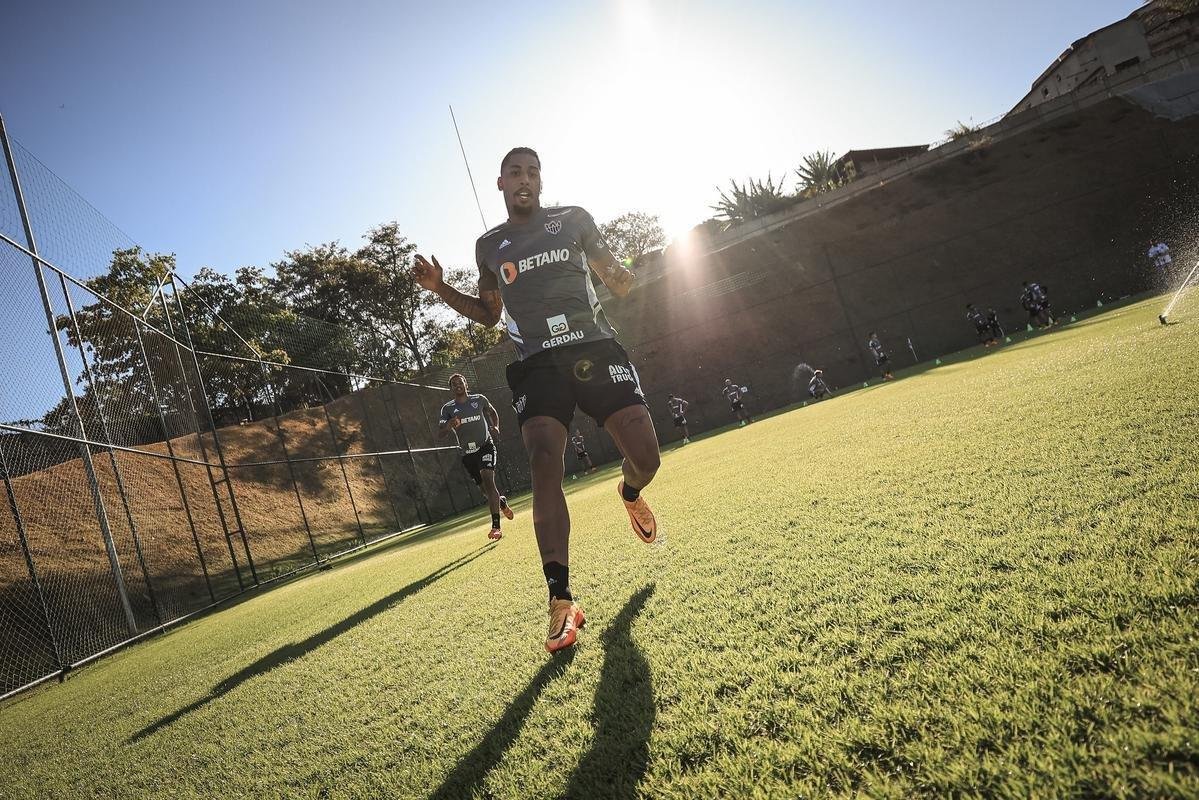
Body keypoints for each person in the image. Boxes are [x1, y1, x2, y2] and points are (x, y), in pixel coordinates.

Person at [413, 146, 662, 654]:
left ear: (541, 182)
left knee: (647, 459)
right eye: (514, 173)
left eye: (532, 172)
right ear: (500, 184)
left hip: (593, 346)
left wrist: (622, 274)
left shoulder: (574, 220)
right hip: (536, 366)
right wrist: (440, 289)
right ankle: (561, 601)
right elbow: (487, 314)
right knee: (544, 463)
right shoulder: (489, 245)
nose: (524, 179)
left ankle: (631, 493)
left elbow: (616, 274)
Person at [437, 373, 513, 540]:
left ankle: (496, 527)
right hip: (467, 454)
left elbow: (492, 412)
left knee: (489, 481)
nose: (458, 385)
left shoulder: (479, 399)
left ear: (466, 384)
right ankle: (501, 502)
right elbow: (441, 433)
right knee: (485, 491)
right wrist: (449, 425)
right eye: (454, 384)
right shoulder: (448, 409)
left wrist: (496, 426)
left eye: (460, 382)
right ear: (450, 389)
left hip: (485, 446)